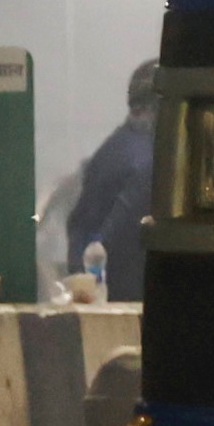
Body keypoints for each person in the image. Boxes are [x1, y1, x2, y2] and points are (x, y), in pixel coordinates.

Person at [66, 59, 159, 300]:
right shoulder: (147, 161)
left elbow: (80, 223)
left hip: (97, 288)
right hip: (127, 295)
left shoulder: (113, 148)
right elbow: (123, 233)